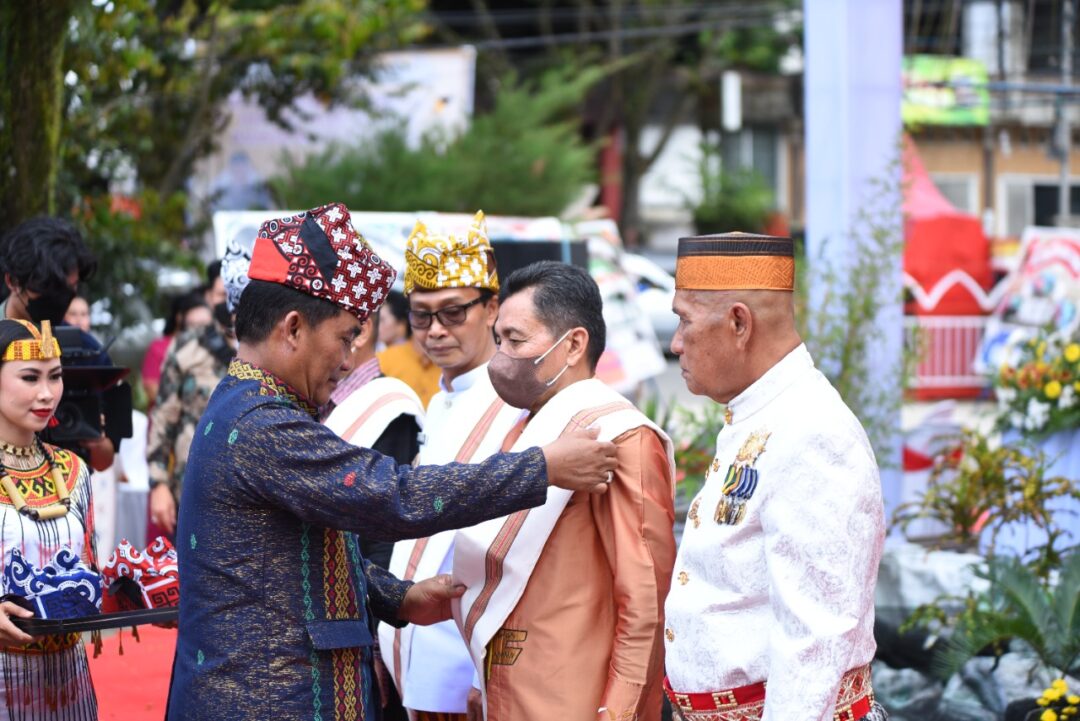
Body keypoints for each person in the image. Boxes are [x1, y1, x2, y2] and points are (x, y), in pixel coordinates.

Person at [166, 203, 618, 720]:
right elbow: (391, 495)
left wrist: (395, 598)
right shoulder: (262, 423)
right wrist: (541, 468)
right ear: (292, 329)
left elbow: (291, 558)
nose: (347, 361)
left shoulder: (248, 404)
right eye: (344, 338)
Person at [662, 232, 886, 721]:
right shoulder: (760, 413)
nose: (676, 343)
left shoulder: (812, 430)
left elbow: (814, 639)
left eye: (685, 320)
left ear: (739, 323)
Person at [454, 261, 677, 721]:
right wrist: (481, 680)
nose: (501, 357)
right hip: (504, 689)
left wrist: (620, 710)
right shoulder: (519, 429)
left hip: (575, 697)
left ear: (573, 344)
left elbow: (645, 599)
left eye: (516, 341)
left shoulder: (621, 436)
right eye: (499, 340)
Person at [379, 212, 526, 721]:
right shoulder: (441, 400)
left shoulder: (516, 405)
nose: (435, 331)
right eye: (421, 316)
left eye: (453, 312)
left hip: (468, 666)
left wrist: (484, 675)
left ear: (492, 309)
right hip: (417, 659)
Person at [324, 310, 424, 721]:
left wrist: (379, 643)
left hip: (366, 616)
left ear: (360, 331)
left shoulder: (388, 408)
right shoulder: (315, 400)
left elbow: (387, 532)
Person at [0, 319, 98, 718]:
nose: (47, 393)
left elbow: (90, 571)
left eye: (55, 376)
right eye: (29, 377)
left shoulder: (74, 470)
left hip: (68, 678)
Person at [0, 217, 115, 472]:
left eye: (68, 288)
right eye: (47, 288)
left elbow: (106, 459)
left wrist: (95, 439)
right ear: (12, 281)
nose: (58, 299)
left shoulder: (88, 353)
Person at [141, 292, 213, 405]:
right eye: (194, 324)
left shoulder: (214, 348)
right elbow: (151, 389)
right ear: (180, 318)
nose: (200, 330)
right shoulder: (161, 347)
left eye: (205, 324)